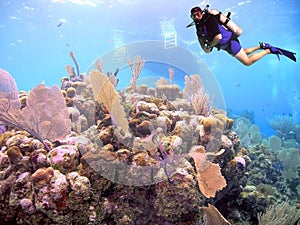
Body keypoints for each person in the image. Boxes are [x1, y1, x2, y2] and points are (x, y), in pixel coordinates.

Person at [189, 6, 296, 65]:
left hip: (229, 42)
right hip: (225, 45)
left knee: (247, 62)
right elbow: (202, 41)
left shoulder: (209, 21)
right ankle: (262, 46)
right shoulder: (199, 27)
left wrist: (211, 45)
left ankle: (269, 50)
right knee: (242, 52)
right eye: (194, 16)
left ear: (202, 13)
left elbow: (218, 37)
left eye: (198, 14)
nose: (196, 17)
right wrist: (205, 47)